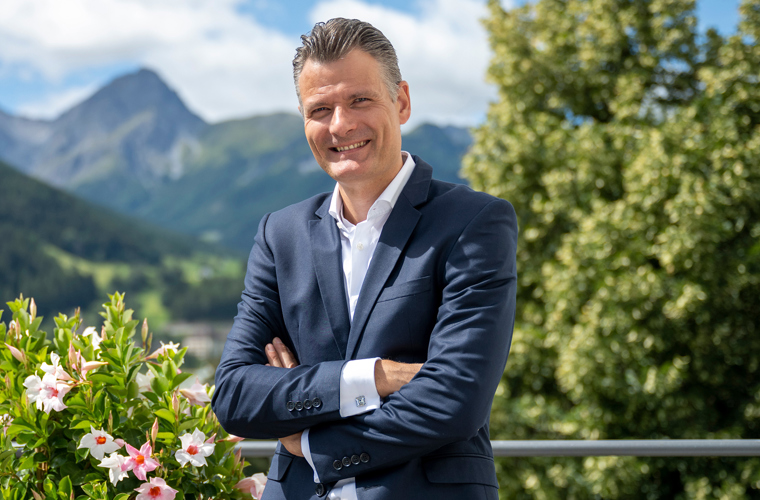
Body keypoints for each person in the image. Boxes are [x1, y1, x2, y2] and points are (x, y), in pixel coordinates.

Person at [212, 17, 517, 500]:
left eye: (359, 100)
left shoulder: (474, 222)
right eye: (320, 109)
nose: (340, 124)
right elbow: (234, 396)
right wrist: (376, 376)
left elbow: (455, 399)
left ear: (401, 102)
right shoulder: (280, 234)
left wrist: (308, 440)